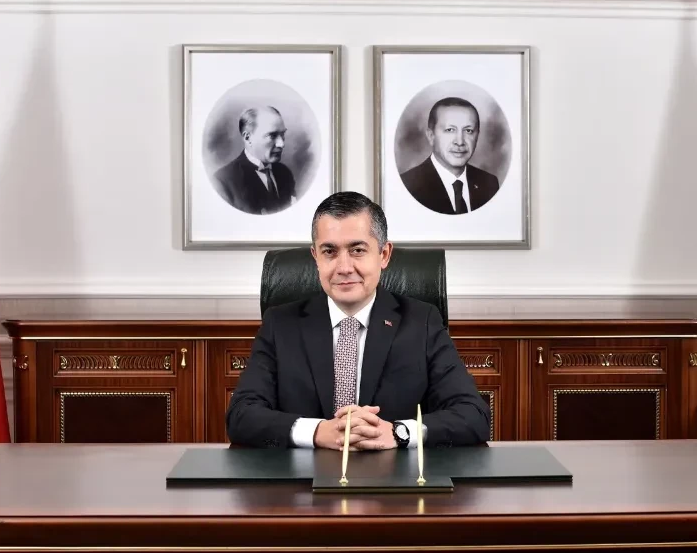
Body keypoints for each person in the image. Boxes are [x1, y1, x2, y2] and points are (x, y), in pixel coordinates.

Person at [225, 191, 490, 450]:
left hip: (396, 475)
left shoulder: (422, 322)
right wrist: (317, 431)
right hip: (303, 476)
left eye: (358, 250)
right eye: (329, 251)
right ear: (315, 257)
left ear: (384, 255)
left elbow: (473, 415)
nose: (344, 267)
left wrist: (398, 432)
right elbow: (241, 415)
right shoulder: (280, 324)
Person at [399, 96, 500, 215]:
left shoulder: (489, 184)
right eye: (450, 130)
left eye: (468, 131)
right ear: (431, 136)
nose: (460, 141)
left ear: (477, 136)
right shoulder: (408, 185)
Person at [210, 105, 296, 215]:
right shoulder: (223, 181)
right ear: (248, 138)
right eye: (272, 135)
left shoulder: (285, 173)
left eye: (282, 134)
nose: (281, 144)